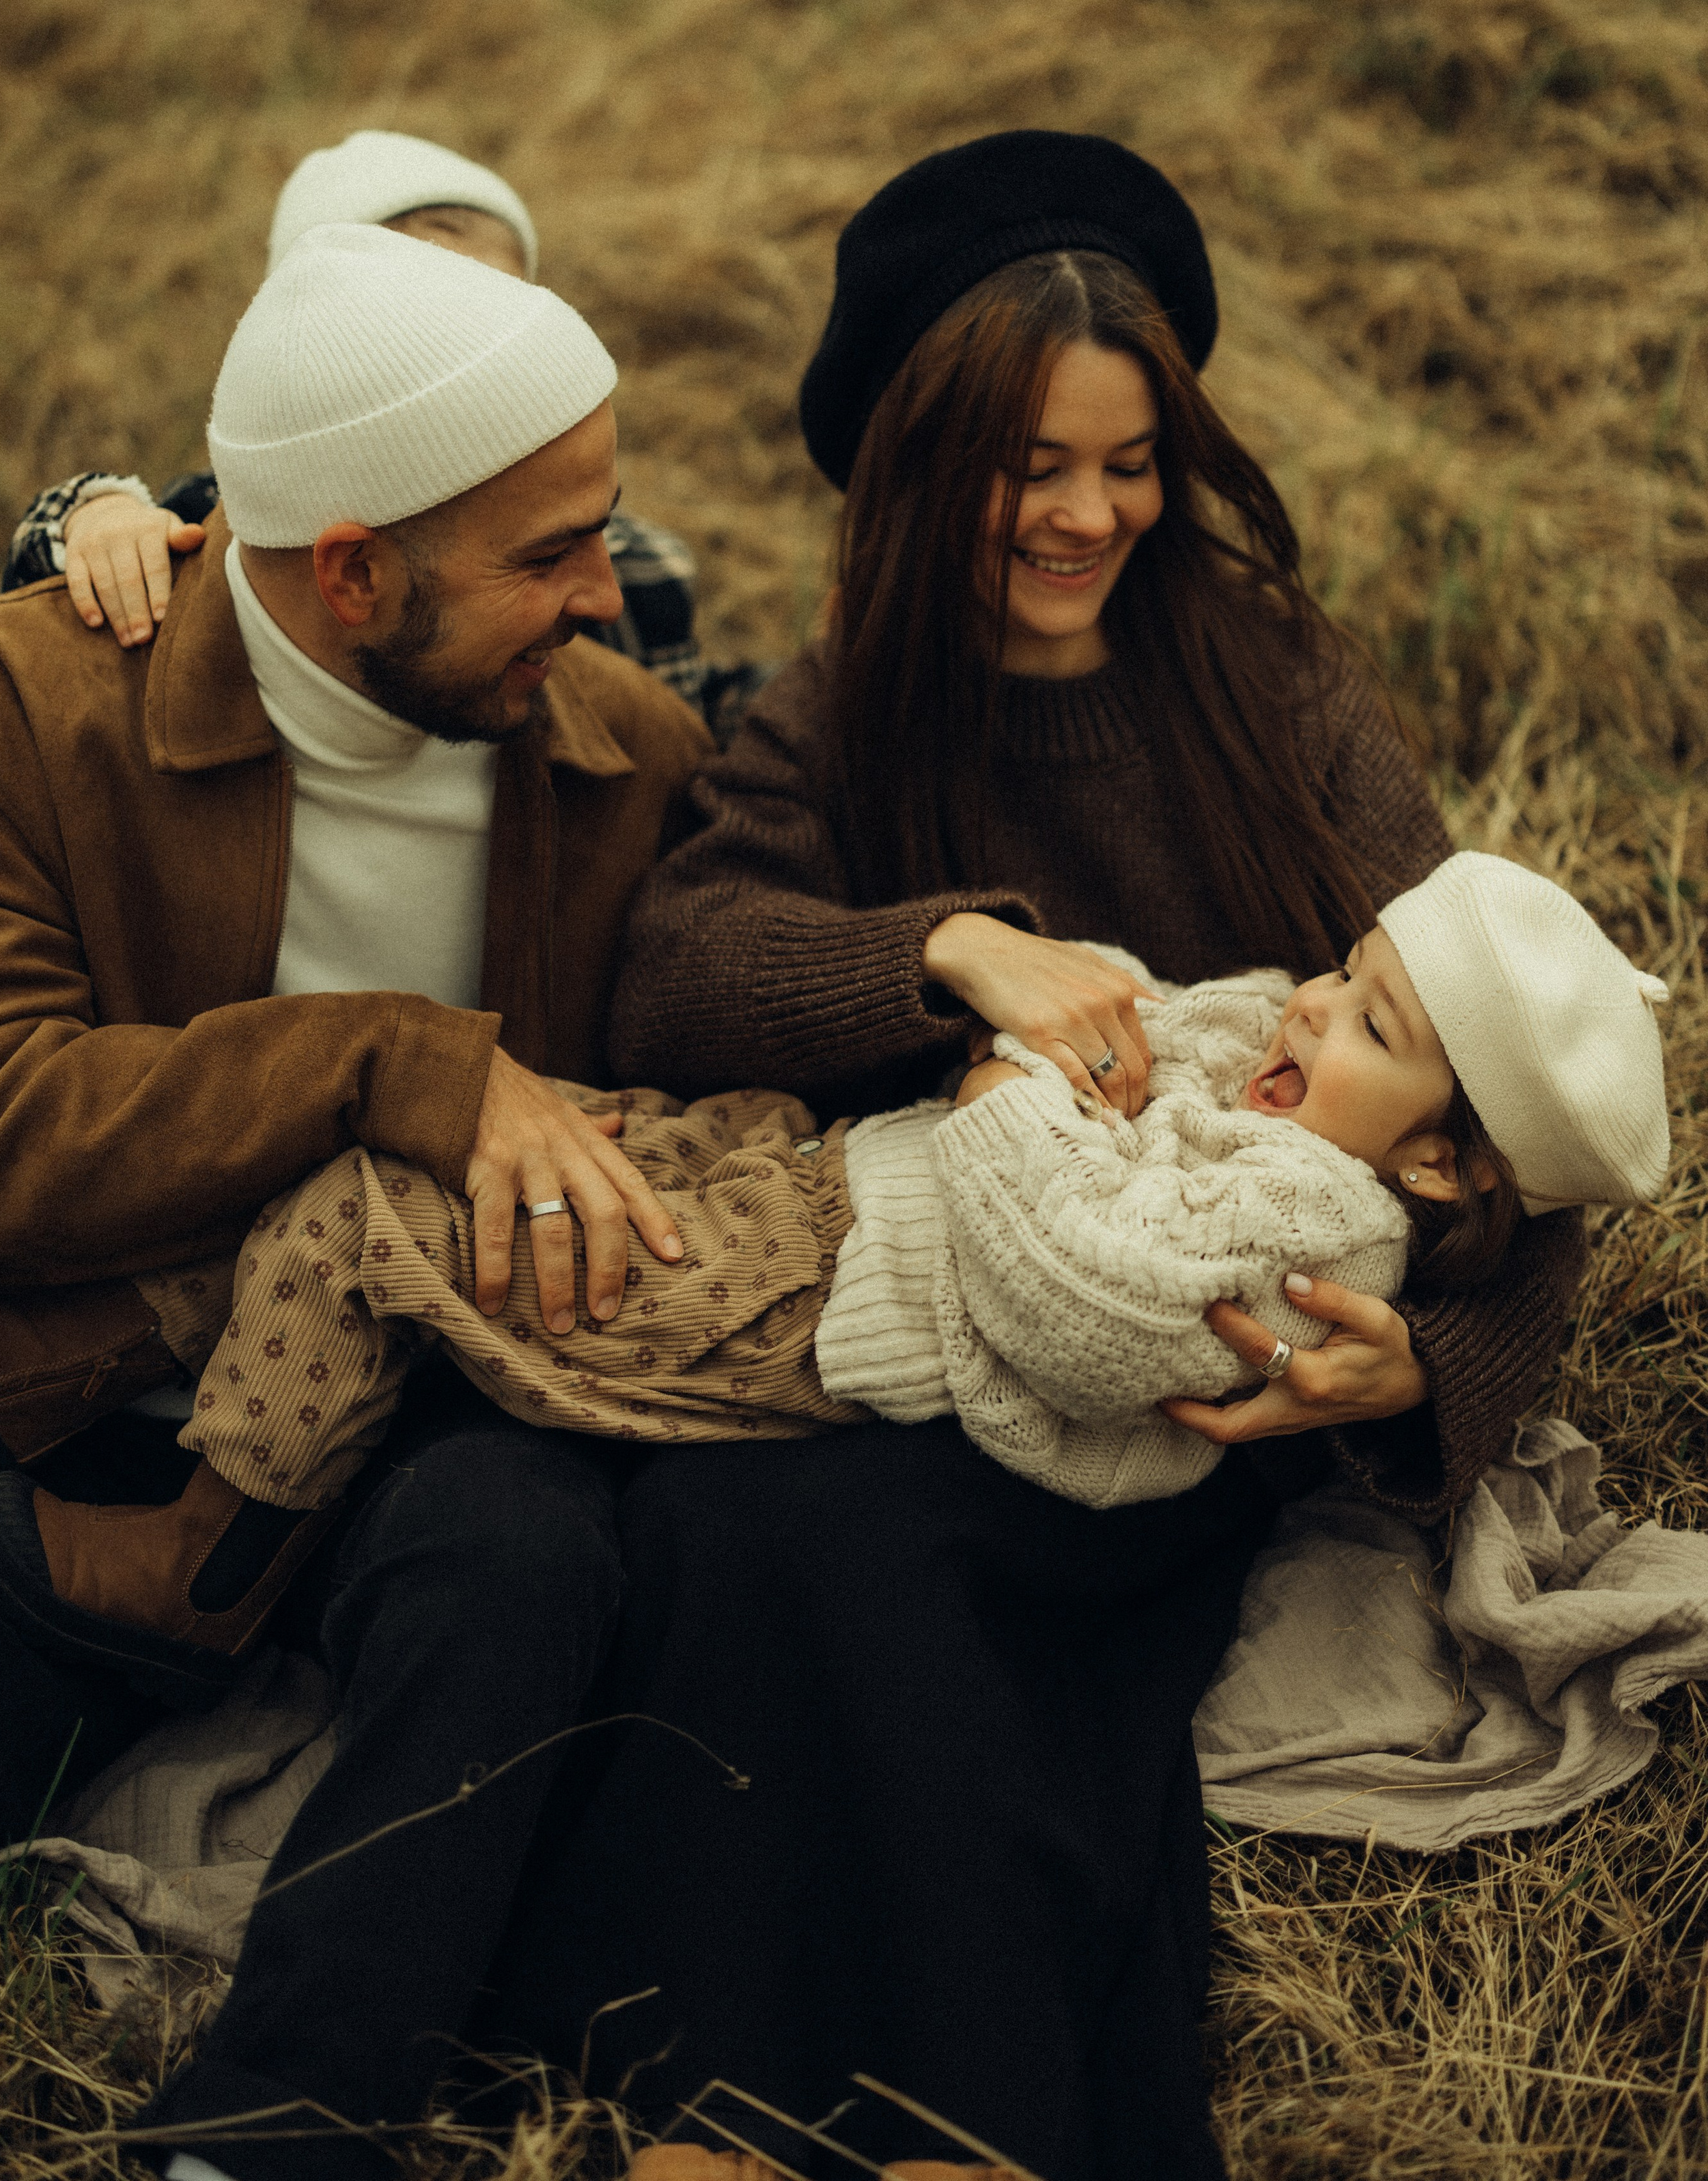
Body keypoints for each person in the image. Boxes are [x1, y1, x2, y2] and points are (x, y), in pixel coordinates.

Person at [475, 132, 1593, 2179]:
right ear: (919, 460)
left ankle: (950, 2125)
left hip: (1168, 1393)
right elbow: (671, 976)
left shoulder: (1276, 688)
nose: (1088, 514)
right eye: (1031, 465)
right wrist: (943, 948)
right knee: (739, 1548)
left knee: (932, 1584)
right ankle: (739, 2116)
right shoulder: (836, 714)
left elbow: (1508, 1118)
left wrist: (1432, 1373)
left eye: (1132, 459)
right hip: (917, 1333)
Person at [0, 221, 714, 2181]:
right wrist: (393, 1058)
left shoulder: (627, 760)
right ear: (351, 567)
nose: (603, 595)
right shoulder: (21, 712)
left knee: (526, 1559)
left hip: (412, 1415)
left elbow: (752, 1001)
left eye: (601, 532)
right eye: (549, 556)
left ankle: (274, 2130)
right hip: (63, 1401)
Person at [14, 850, 1668, 1663]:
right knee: (507, 1136)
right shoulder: (1286, 1072)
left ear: (1443, 1158)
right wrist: (1061, 993)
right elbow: (1157, 1006)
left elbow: (1078, 1294)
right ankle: (83, 1358)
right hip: (801, 1182)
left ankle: (213, 1548)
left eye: (1363, 1016)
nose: (1305, 1001)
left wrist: (1010, 1080)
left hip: (799, 1306)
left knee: (382, 1210)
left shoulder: (1312, 1226)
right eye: (1338, 964)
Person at [0, 128, 764, 742]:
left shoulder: (636, 574)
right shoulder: (228, 536)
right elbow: (62, 605)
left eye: (495, 308)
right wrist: (93, 514)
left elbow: (694, 736)